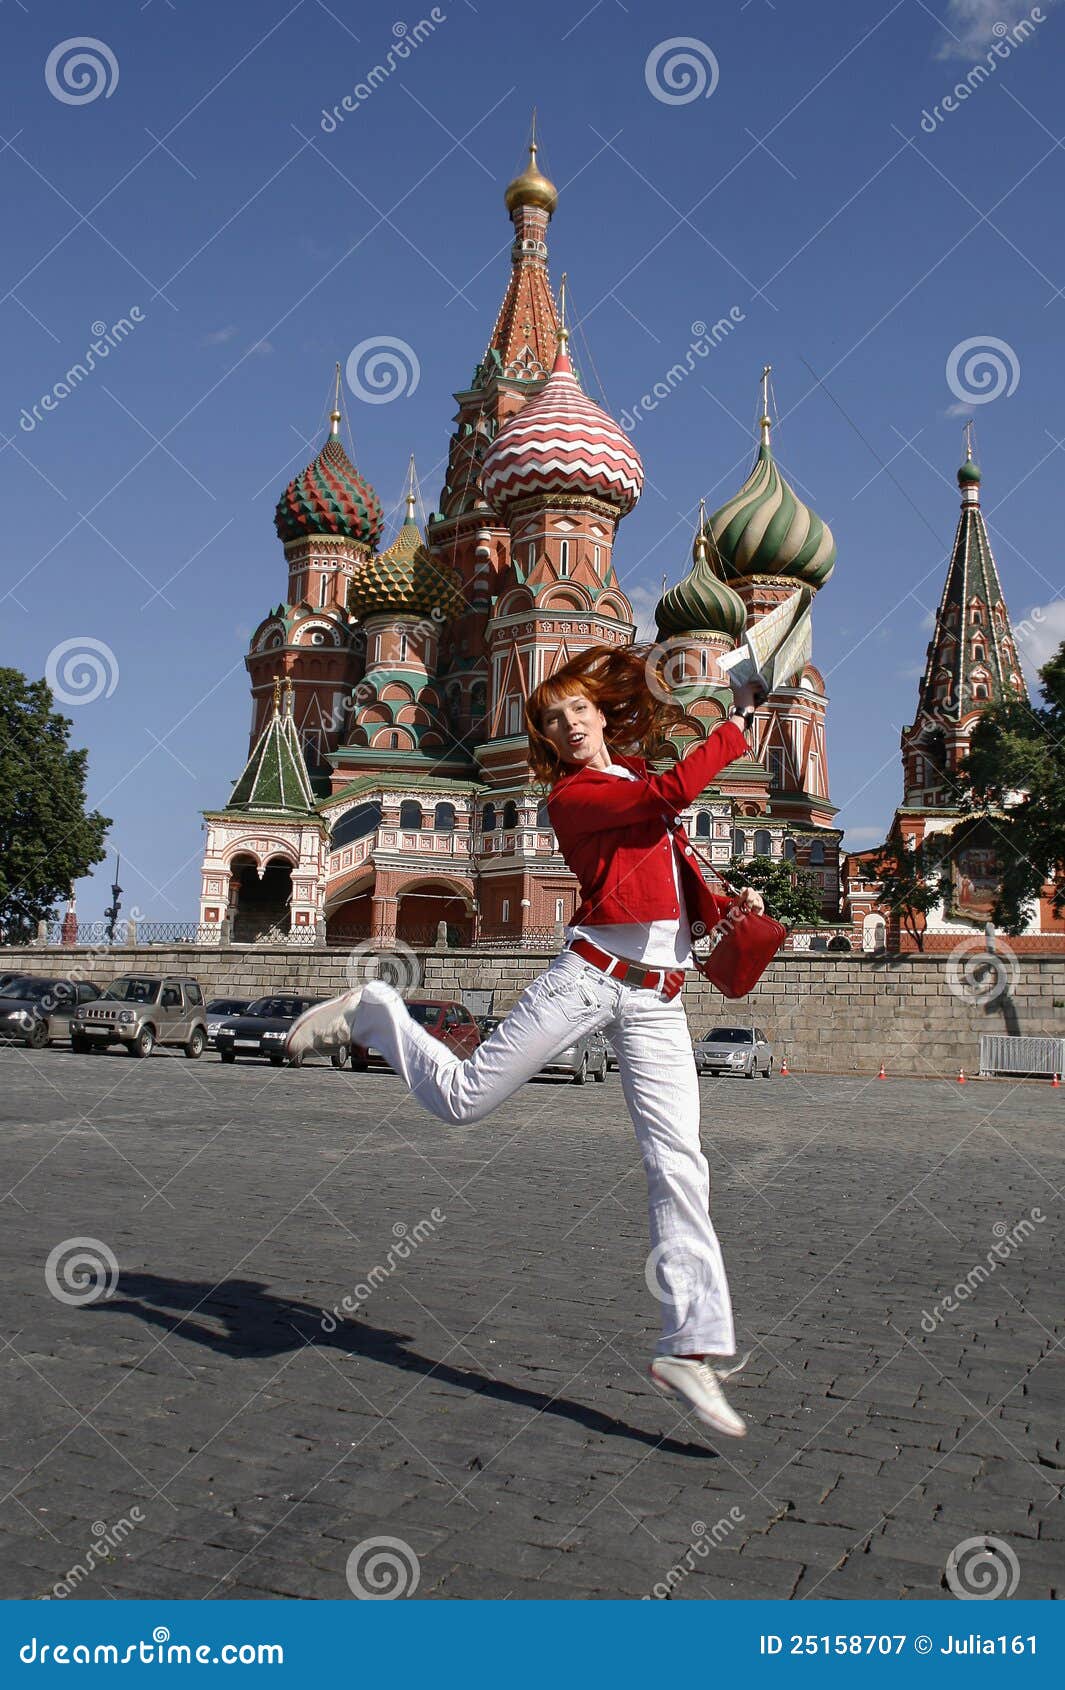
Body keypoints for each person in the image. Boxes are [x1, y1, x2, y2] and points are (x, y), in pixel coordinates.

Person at [286, 645, 764, 1439]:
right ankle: (377, 1009)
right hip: (589, 976)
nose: (568, 724)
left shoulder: (630, 790)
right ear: (545, 740)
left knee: (680, 1163)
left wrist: (722, 903)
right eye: (551, 719)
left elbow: (660, 875)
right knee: (462, 1100)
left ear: (603, 712)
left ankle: (691, 1345)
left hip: (659, 998)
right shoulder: (578, 796)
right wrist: (740, 716)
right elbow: (676, 787)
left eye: (577, 708)